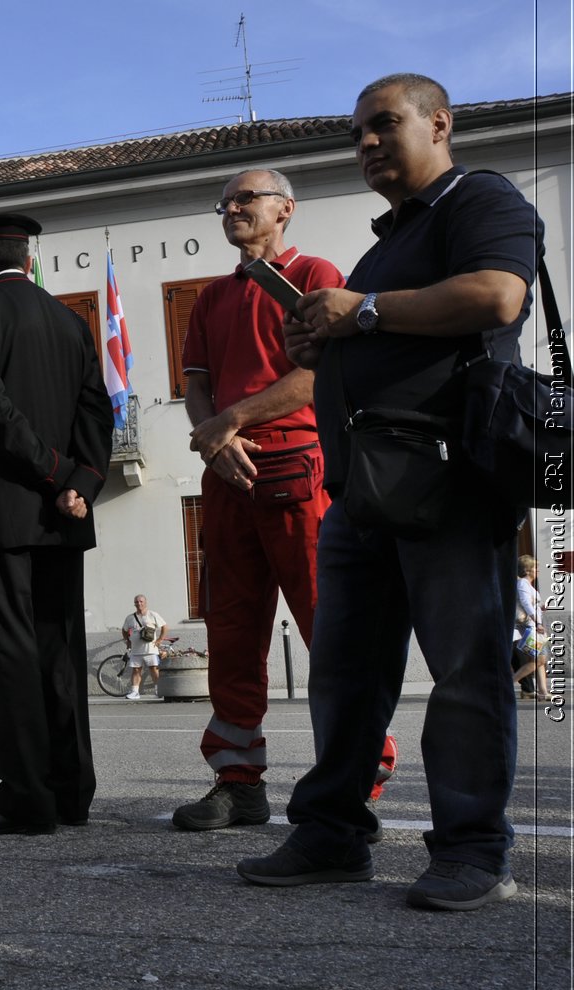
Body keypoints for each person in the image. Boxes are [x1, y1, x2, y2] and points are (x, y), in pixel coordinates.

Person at [239, 73, 545, 911]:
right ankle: (333, 832)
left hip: (448, 477)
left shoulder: (482, 200)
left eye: (384, 125)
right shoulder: (387, 245)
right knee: (345, 671)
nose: (367, 143)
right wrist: (320, 336)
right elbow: (370, 329)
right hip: (367, 486)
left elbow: (496, 295)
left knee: (465, 670)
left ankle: (472, 847)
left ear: (438, 123)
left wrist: (361, 313)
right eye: (358, 134)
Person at [174, 168, 398, 831]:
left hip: (298, 465)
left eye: (247, 198)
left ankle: (360, 774)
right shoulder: (211, 297)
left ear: (285, 210)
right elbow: (196, 384)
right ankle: (238, 781)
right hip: (228, 474)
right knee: (232, 631)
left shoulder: (315, 273)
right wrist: (215, 440)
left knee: (328, 625)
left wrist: (230, 422)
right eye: (226, 201)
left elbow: (319, 374)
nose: (232, 207)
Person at [0, 213, 113, 836]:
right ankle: (72, 790)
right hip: (66, 511)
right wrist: (81, 482)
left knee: (10, 649)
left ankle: (26, 796)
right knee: (60, 650)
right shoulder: (72, 320)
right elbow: (99, 406)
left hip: (8, 506)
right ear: (31, 261)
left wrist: (52, 471)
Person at [511, 556, 550, 701]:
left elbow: (531, 604)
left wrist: (541, 607)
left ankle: (543, 692)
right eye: (535, 567)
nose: (538, 570)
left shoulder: (527, 585)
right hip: (529, 627)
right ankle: (508, 685)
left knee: (540, 660)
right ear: (527, 570)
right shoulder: (523, 584)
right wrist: (538, 622)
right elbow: (526, 604)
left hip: (532, 626)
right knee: (538, 660)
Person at [120, 595, 166, 700]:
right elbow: (124, 630)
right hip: (136, 650)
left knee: (154, 669)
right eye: (136, 602)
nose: (139, 603)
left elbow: (165, 627)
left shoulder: (153, 615)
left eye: (141, 601)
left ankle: (158, 690)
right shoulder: (130, 618)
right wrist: (127, 641)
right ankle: (135, 692)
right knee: (136, 670)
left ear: (145, 602)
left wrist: (159, 640)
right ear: (134, 604)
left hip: (151, 649)